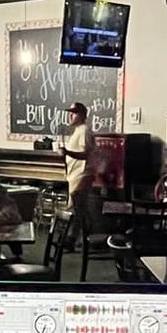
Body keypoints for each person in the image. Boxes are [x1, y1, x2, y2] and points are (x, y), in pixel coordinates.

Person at [62, 101, 100, 235]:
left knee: (75, 208)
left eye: (74, 113)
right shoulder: (77, 131)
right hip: (74, 175)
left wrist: (67, 152)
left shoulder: (84, 131)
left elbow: (85, 154)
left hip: (82, 175)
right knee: (79, 208)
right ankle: (85, 236)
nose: (70, 116)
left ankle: (72, 238)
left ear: (82, 115)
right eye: (70, 113)